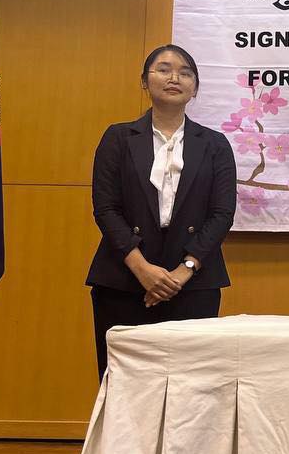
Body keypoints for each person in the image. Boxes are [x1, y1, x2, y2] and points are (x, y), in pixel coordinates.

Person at [86, 45, 236, 378]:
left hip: (194, 283)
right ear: (144, 81)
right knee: (125, 383)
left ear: (195, 88)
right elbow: (106, 208)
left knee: (190, 385)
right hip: (124, 280)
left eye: (185, 72)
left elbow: (222, 213)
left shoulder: (215, 144)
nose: (174, 78)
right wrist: (142, 269)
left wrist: (184, 270)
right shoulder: (118, 138)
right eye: (164, 69)